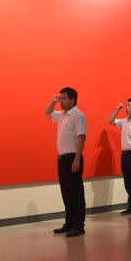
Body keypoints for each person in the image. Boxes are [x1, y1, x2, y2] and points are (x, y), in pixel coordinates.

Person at [45, 88, 87, 237]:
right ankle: (69, 222)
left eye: (63, 98)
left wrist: (77, 159)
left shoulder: (78, 115)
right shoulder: (62, 115)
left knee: (76, 193)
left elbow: (82, 138)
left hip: (72, 158)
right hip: (62, 158)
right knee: (66, 193)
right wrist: (53, 100)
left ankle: (79, 225)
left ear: (72, 100)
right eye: (60, 98)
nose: (61, 101)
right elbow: (48, 112)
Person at [108, 98, 131, 216]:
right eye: (126, 105)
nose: (127, 107)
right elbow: (111, 121)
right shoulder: (124, 121)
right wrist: (117, 109)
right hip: (125, 155)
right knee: (128, 182)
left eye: (130, 105)